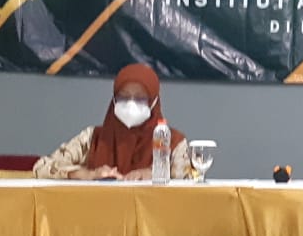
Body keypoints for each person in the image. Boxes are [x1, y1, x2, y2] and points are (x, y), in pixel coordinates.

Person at [34, 63, 192, 180]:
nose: (131, 103)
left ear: (154, 102)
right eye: (123, 96)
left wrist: (154, 174)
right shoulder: (93, 138)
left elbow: (189, 179)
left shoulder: (173, 142)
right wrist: (87, 174)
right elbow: (41, 167)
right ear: (114, 100)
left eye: (140, 98)